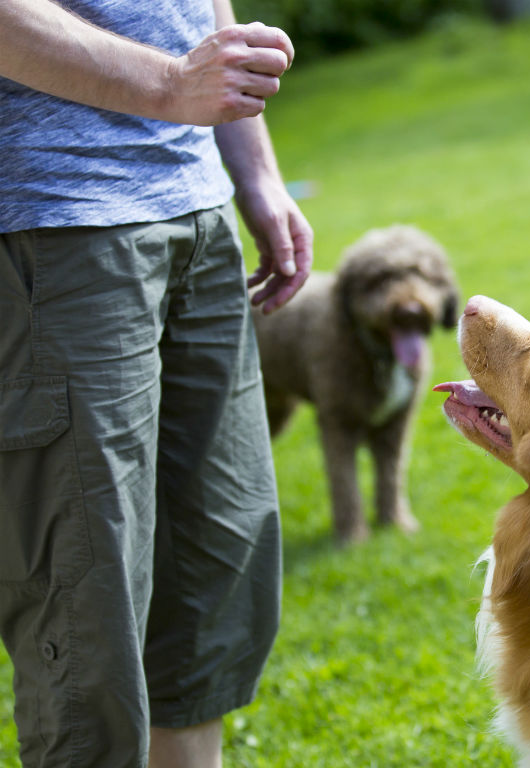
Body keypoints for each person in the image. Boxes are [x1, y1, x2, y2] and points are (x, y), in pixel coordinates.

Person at [0, 0, 313, 765]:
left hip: (196, 213)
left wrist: (254, 169)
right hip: (59, 224)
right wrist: (172, 86)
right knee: (88, 606)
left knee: (213, 578)